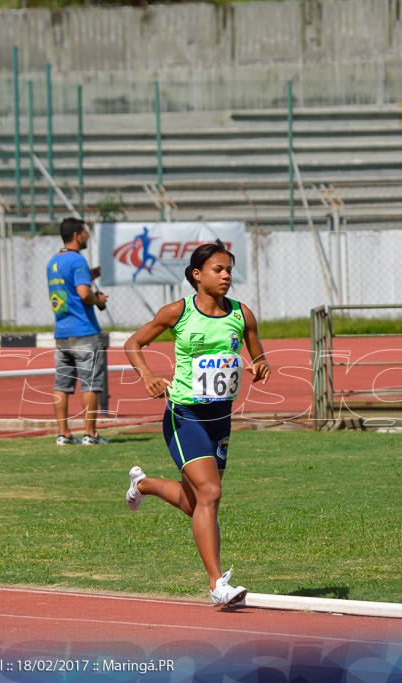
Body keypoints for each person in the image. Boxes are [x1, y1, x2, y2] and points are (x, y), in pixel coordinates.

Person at [123, 240, 270, 607]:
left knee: (195, 503)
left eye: (229, 270)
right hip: (183, 415)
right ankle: (217, 585)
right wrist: (147, 376)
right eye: (218, 270)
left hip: (220, 419)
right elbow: (133, 343)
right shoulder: (177, 312)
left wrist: (260, 366)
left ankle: (144, 484)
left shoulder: (242, 314)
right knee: (211, 494)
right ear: (197, 275)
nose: (226, 276)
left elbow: (259, 355)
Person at [47, 217, 109, 446]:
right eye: (85, 232)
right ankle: (90, 434)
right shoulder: (77, 260)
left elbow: (69, 287)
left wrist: (90, 275)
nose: (87, 236)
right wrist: (98, 300)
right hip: (84, 331)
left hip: (62, 331)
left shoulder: (53, 261)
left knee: (61, 385)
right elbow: (83, 294)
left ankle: (63, 433)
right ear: (76, 235)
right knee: (90, 383)